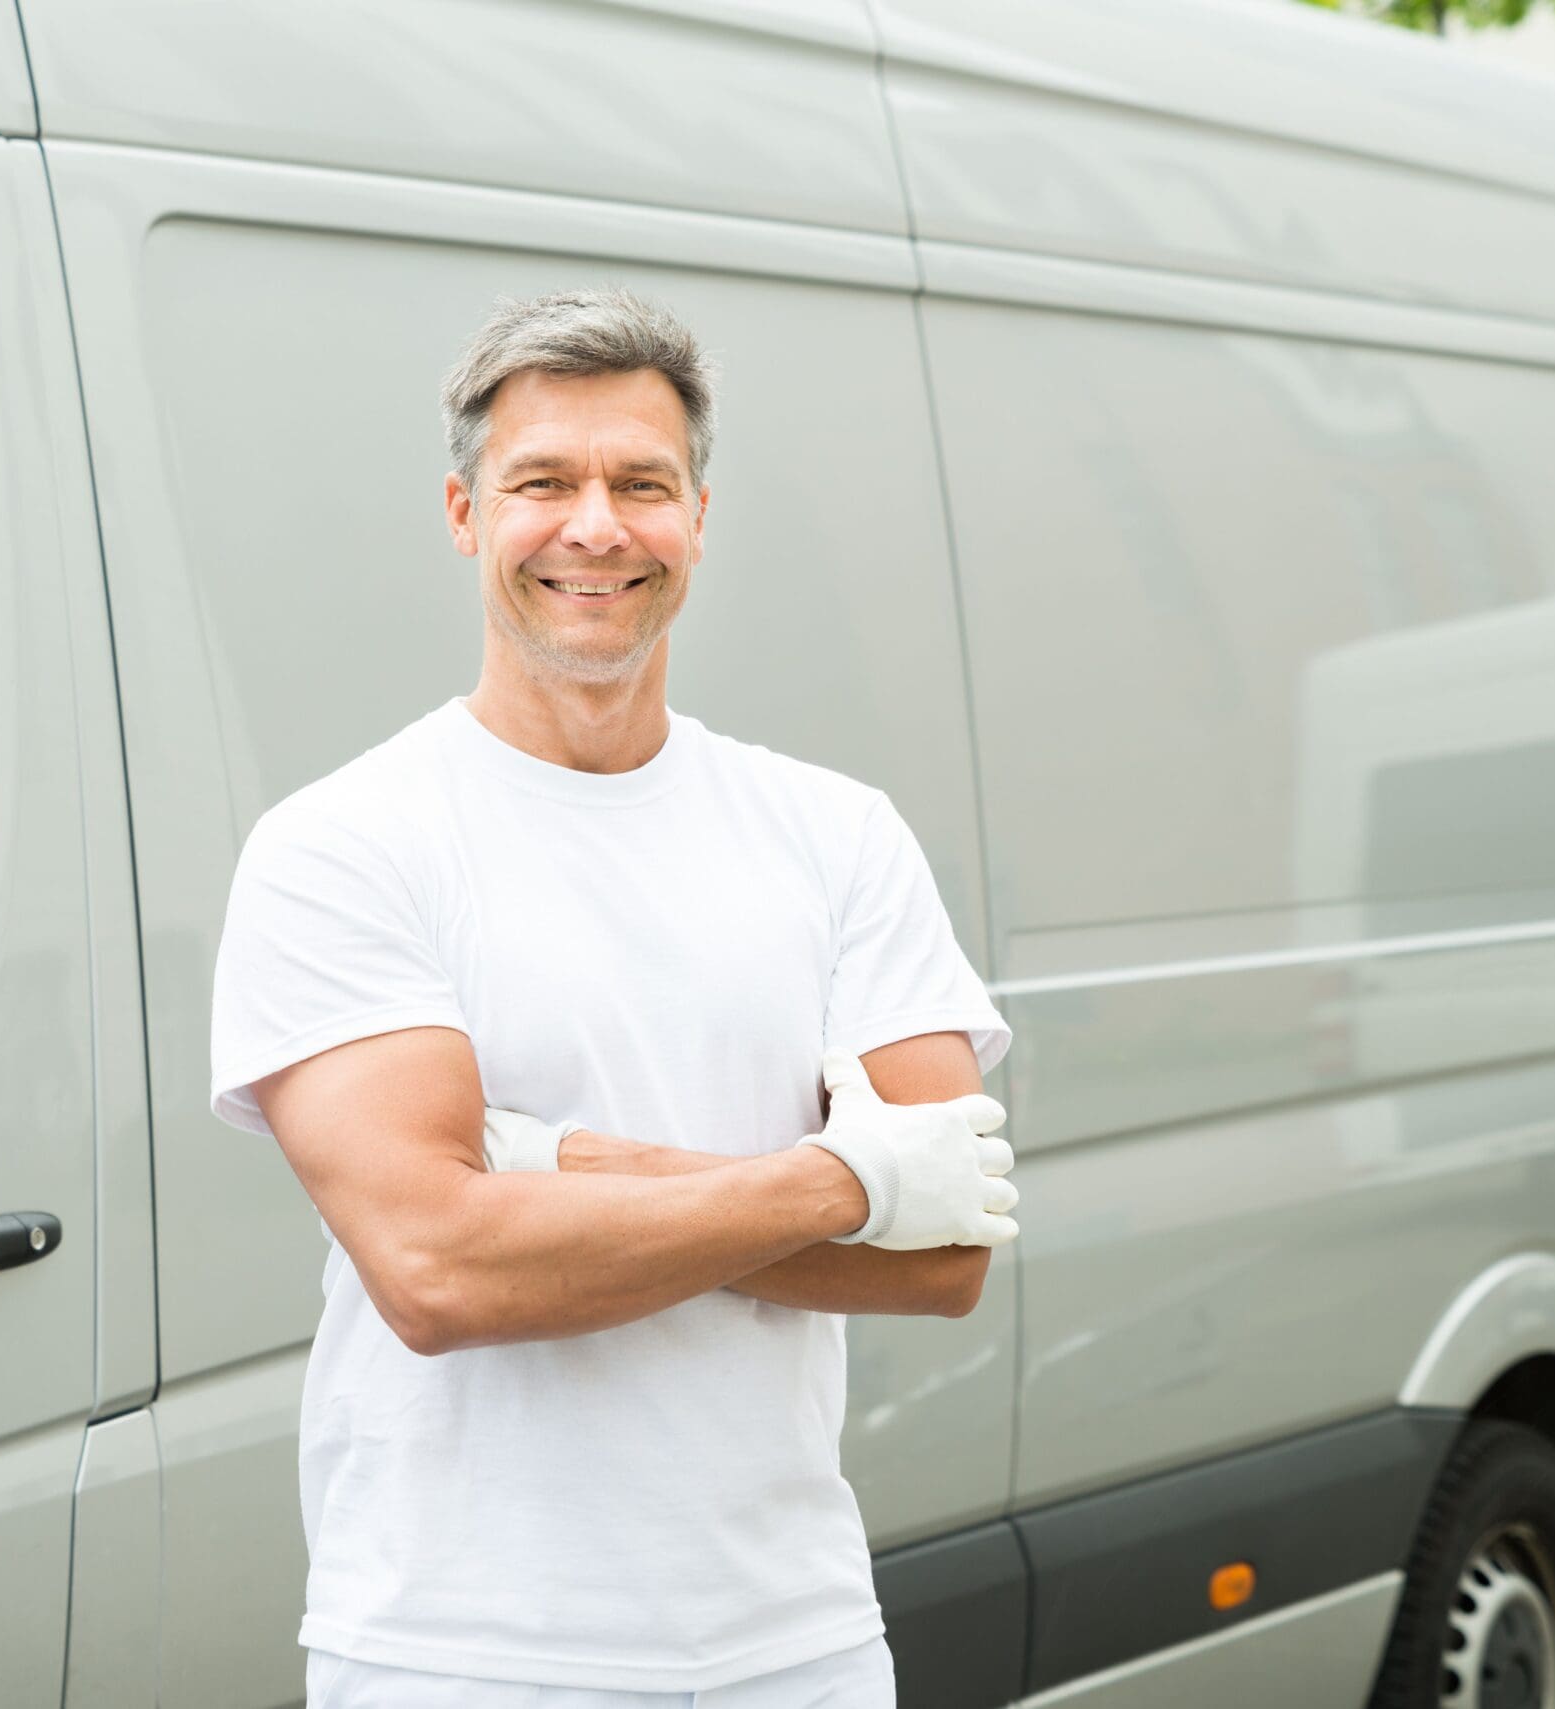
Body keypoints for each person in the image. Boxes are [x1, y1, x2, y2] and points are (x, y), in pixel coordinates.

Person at [208, 287, 1021, 1709]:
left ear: (699, 518)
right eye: (544, 482)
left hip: (797, 1643)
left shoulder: (835, 836)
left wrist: (552, 1163)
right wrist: (844, 1177)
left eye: (642, 483)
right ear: (465, 514)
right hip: (462, 1651)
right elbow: (443, 1270)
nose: (597, 526)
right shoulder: (345, 846)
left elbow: (946, 1253)